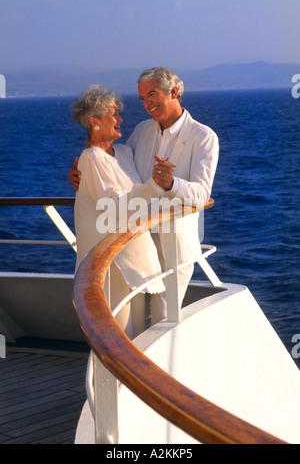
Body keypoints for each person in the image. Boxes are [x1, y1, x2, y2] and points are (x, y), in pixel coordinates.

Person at [69, 67, 219, 324]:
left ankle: (156, 366)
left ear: (173, 92)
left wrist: (170, 183)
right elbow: (113, 166)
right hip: (139, 243)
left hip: (175, 245)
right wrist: (79, 171)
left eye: (152, 94)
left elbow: (202, 194)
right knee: (133, 323)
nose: (147, 103)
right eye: (142, 98)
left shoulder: (203, 137)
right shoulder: (142, 131)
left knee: (164, 321)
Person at [71, 84, 167, 338]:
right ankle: (113, 380)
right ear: (95, 122)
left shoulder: (123, 152)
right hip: (112, 264)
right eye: (114, 115)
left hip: (133, 258)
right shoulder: (91, 158)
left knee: (134, 333)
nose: (120, 119)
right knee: (117, 334)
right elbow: (115, 206)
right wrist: (155, 186)